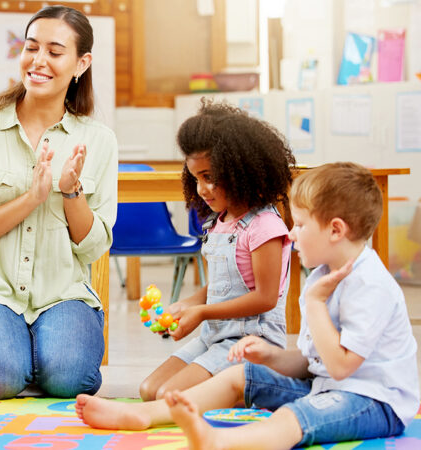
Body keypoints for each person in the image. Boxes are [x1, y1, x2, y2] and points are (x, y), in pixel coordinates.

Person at [76, 162, 420, 448]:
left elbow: (342, 367)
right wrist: (270, 357)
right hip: (325, 385)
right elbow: (313, 362)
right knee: (240, 375)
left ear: (335, 230)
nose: (292, 234)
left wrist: (314, 305)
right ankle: (144, 415)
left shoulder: (368, 284)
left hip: (375, 400)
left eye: (300, 225)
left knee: (295, 417)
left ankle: (221, 441)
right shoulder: (321, 276)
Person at [0, 5, 118, 399]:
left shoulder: (99, 140)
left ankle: (36, 357)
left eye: (54, 52)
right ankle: (13, 355)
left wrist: (71, 193)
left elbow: (93, 247)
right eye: (31, 47)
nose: (38, 61)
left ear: (81, 64)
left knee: (71, 381)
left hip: (63, 293)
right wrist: (32, 198)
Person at [138, 100, 296, 401]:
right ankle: (226, 390)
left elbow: (265, 298)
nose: (201, 189)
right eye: (195, 178)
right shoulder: (219, 222)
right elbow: (224, 287)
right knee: (149, 391)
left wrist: (201, 312)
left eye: (209, 177)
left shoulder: (264, 226)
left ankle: (256, 384)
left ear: (240, 170)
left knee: (169, 396)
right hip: (215, 336)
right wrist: (186, 305)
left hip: (251, 342)